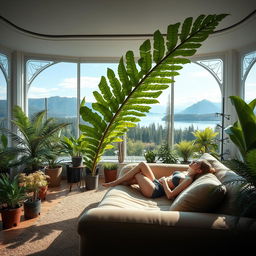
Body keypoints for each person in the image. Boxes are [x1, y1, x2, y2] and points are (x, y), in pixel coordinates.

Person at [102, 159, 215, 199]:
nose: (194, 161)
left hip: (156, 190)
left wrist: (165, 181)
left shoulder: (188, 180)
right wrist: (163, 180)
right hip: (156, 182)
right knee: (142, 165)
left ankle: (115, 182)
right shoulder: (185, 172)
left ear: (199, 171)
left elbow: (170, 195)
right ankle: (120, 183)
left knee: (138, 175)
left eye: (197, 163)